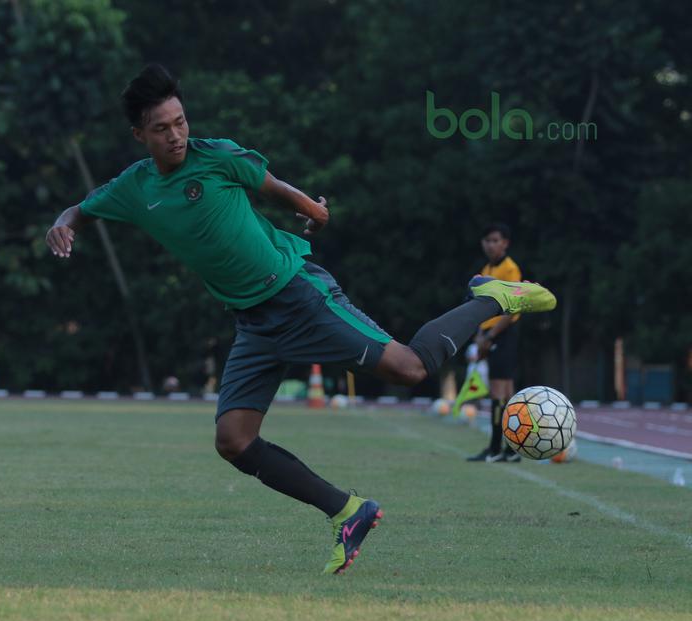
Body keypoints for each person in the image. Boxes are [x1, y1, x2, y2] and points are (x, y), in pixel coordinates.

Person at [44, 65, 556, 574]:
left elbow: (271, 185)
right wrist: (62, 226)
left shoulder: (216, 156)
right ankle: (349, 511)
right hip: (253, 323)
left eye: (180, 121)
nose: (176, 134)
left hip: (297, 295)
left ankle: (492, 297)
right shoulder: (135, 188)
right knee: (234, 441)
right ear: (140, 135)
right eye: (162, 128)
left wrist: (315, 209)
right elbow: (81, 209)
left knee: (411, 370)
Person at [466, 224, 523, 462]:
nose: (490, 245)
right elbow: (483, 307)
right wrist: (480, 334)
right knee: (506, 393)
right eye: (486, 240)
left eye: (495, 240)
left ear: (505, 243)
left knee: (500, 393)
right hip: (490, 335)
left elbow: (511, 311)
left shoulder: (510, 269)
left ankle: (496, 448)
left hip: (504, 334)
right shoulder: (487, 268)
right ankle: (510, 449)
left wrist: (489, 337)